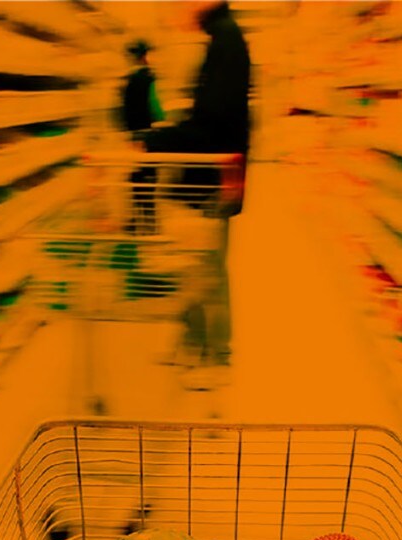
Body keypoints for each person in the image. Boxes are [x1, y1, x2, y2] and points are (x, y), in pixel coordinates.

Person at [145, 1, 250, 373]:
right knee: (194, 262)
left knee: (209, 268)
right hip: (204, 173)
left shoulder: (226, 40)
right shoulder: (218, 37)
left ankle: (217, 354)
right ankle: (192, 340)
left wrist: (155, 141)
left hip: (214, 174)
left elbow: (216, 121)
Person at [120, 39, 164, 235]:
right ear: (145, 56)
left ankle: (138, 221)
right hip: (148, 134)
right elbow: (155, 106)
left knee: (136, 177)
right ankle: (151, 222)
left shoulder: (127, 79)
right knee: (148, 177)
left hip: (133, 135)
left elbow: (123, 110)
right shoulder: (149, 77)